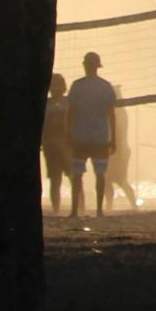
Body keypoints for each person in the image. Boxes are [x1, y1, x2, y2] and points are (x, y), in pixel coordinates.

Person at [66, 50, 119, 217]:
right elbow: (111, 114)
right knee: (99, 174)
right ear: (98, 66)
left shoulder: (77, 85)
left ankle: (75, 211)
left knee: (78, 174)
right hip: (100, 136)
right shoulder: (105, 86)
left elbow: (70, 113)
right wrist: (113, 138)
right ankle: (98, 210)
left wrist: (68, 134)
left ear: (85, 65)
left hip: (81, 136)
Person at [41, 72, 75, 215]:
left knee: (74, 177)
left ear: (63, 86)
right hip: (50, 146)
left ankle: (78, 208)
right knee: (55, 180)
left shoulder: (69, 102)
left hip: (67, 145)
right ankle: (56, 210)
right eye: (52, 84)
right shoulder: (45, 104)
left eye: (57, 84)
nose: (54, 87)